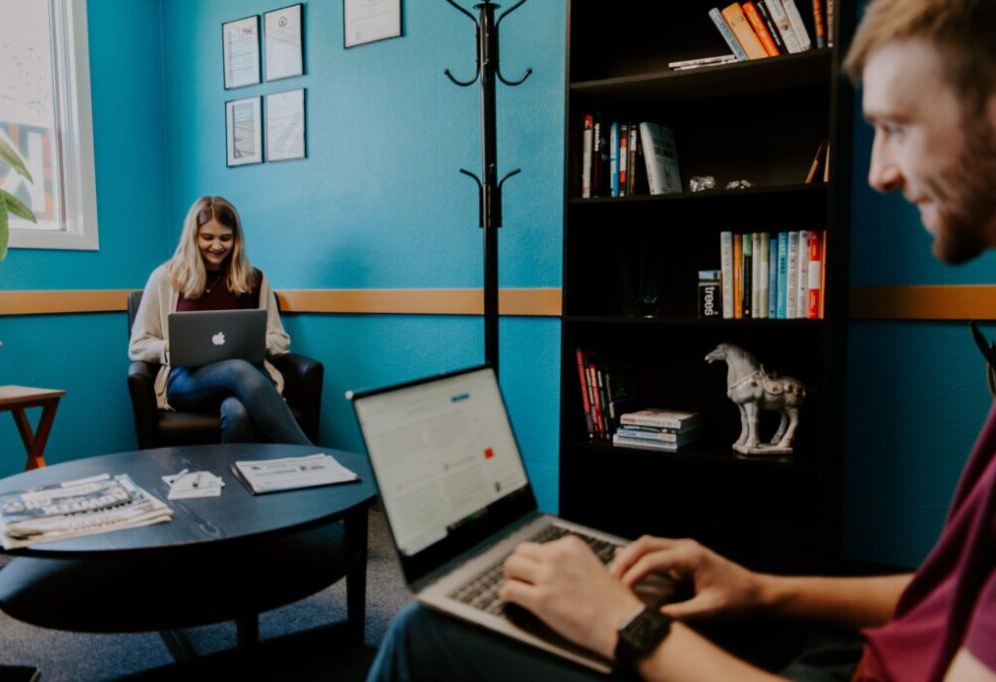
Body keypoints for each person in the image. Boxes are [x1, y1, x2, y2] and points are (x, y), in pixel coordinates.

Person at [368, 1, 996, 680]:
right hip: (866, 654)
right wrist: (762, 589)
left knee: (423, 632)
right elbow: (953, 599)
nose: (876, 173)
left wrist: (622, 625)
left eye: (897, 128)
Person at [129, 195, 311, 445]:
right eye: (208, 237)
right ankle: (312, 457)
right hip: (187, 380)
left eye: (225, 238)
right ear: (193, 237)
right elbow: (138, 345)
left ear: (236, 239)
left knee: (236, 411)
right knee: (238, 369)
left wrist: (256, 343)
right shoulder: (165, 277)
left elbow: (279, 339)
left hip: (249, 378)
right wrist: (170, 347)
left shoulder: (254, 279)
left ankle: (235, 482)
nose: (217, 246)